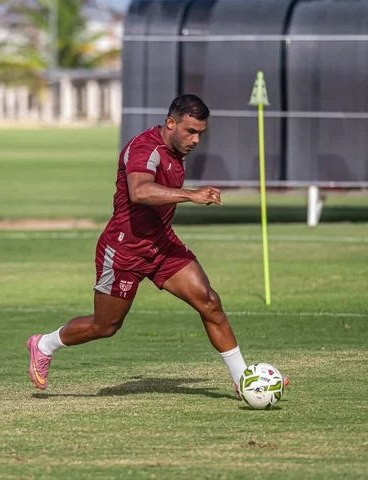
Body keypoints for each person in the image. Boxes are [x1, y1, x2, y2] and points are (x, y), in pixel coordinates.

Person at [26, 94, 288, 398]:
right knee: (106, 325)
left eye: (201, 133)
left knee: (209, 301)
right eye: (190, 131)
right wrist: (191, 195)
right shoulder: (143, 148)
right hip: (125, 249)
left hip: (162, 243)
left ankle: (244, 381)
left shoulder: (176, 148)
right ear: (170, 123)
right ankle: (44, 344)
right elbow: (139, 191)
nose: (196, 140)